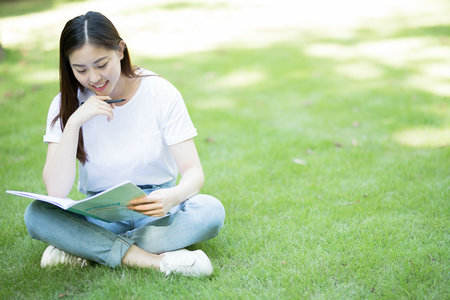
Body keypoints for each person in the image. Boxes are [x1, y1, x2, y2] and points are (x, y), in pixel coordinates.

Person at [23, 11, 225, 277]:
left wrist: (173, 196)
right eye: (80, 69)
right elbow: (56, 191)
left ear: (120, 50)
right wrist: (73, 123)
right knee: (36, 214)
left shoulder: (160, 93)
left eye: (101, 64)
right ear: (68, 66)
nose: (94, 78)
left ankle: (84, 247)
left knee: (211, 211)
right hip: (99, 214)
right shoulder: (65, 104)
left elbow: (193, 172)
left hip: (155, 211)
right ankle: (153, 260)